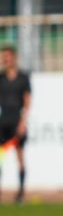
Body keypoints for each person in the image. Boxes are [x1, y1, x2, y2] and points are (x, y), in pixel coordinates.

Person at [0, 45, 31, 204]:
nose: (5, 59)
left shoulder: (23, 77)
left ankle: (20, 193)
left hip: (16, 121)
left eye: (7, 56)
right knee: (0, 157)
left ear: (14, 57)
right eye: (3, 56)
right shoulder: (1, 77)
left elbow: (27, 100)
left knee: (19, 156)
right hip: (2, 121)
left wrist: (23, 121)